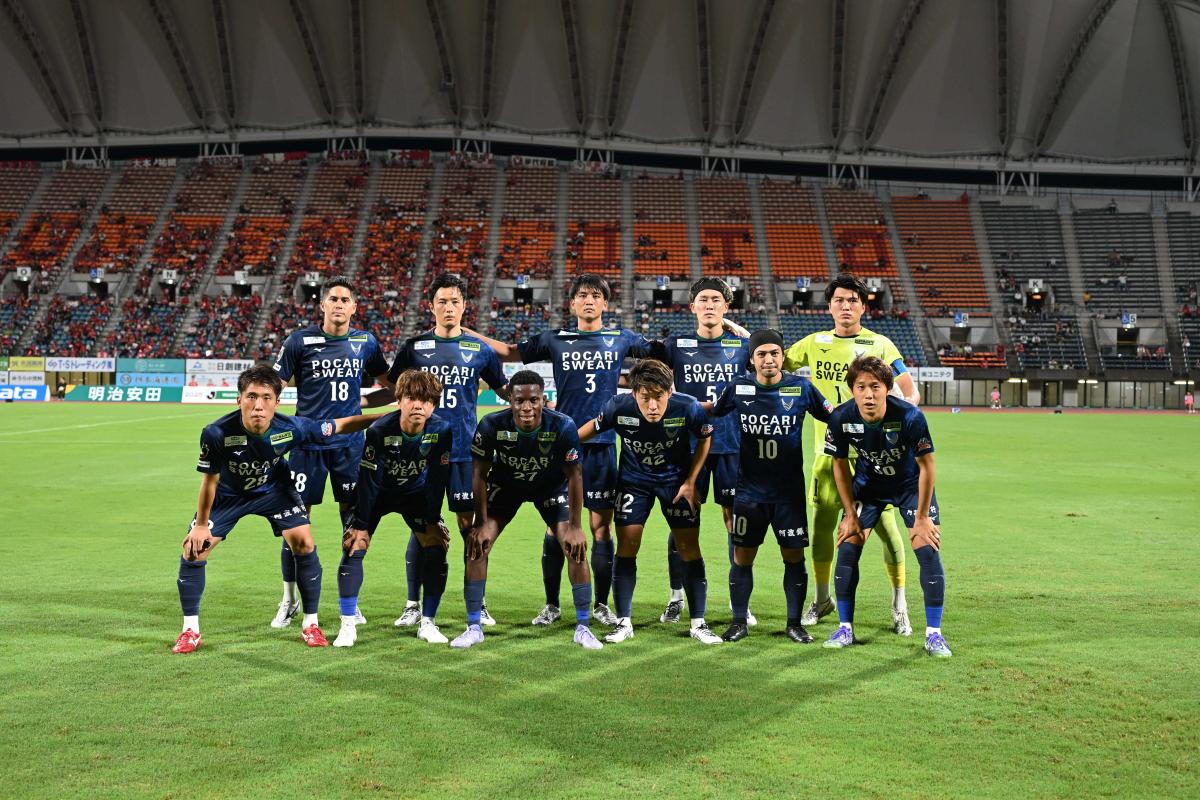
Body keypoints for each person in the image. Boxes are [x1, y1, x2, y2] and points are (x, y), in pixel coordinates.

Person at [466, 274, 654, 627]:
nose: (589, 300)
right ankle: (552, 605)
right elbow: (510, 352)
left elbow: (663, 354)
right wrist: (468, 332)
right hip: (558, 445)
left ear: (605, 303)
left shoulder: (622, 338)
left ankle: (601, 605)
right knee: (556, 528)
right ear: (572, 303)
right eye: (582, 295)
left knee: (600, 529)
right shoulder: (555, 339)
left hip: (602, 447)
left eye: (595, 295)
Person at [172, 364, 377, 653]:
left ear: (277, 402)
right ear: (239, 399)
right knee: (194, 549)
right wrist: (202, 525)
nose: (258, 405)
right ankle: (190, 631)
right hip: (229, 495)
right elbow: (210, 481)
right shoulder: (216, 433)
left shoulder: (292, 428)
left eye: (266, 397)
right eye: (251, 396)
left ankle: (310, 623)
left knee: (304, 543)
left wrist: (388, 417)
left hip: (275, 491)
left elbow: (340, 425)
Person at [783, 274, 920, 636]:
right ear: (829, 306)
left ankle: (900, 605)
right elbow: (772, 364)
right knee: (823, 528)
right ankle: (822, 599)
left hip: (873, 459)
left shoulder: (880, 344)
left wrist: (900, 418)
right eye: (839, 300)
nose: (846, 306)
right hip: (827, 454)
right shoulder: (814, 343)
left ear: (863, 306)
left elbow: (909, 390)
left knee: (888, 530)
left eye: (853, 301)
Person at [387, 272, 509, 627]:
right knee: (421, 525)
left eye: (455, 301)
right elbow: (395, 390)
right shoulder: (414, 347)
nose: (448, 307)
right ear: (431, 306)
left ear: (464, 306)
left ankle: (477, 601)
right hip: (422, 453)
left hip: (464, 454)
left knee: (471, 527)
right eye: (442, 301)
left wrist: (536, 406)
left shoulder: (480, 350)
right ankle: (413, 604)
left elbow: (503, 390)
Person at [271, 276, 393, 630]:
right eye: (333, 299)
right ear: (322, 305)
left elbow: (391, 386)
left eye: (345, 300)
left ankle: (350, 602)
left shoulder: (365, 342)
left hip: (350, 447)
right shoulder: (299, 341)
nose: (339, 304)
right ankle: (289, 599)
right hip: (306, 445)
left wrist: (362, 402)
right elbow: (273, 388)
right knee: (295, 523)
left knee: (353, 523)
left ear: (354, 307)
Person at [578, 359, 723, 645]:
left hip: (676, 484)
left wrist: (691, 482)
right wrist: (561, 445)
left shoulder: (687, 407)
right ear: (634, 393)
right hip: (634, 482)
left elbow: (706, 437)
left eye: (659, 397)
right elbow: (590, 429)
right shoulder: (618, 407)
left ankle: (698, 623)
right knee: (627, 546)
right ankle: (624, 622)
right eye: (645, 397)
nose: (653, 406)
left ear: (669, 392)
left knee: (689, 548)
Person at [453, 370, 601, 650]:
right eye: (519, 400)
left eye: (534, 400)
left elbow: (575, 476)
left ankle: (583, 628)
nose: (527, 407)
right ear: (509, 400)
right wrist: (480, 522)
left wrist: (576, 527)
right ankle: (474, 627)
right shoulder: (491, 425)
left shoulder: (563, 426)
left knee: (575, 547)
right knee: (477, 545)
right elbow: (479, 475)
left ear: (543, 399)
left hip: (550, 488)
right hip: (506, 487)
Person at [707, 330, 832, 643]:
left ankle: (794, 624)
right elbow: (712, 410)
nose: (768, 359)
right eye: (761, 354)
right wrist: (672, 404)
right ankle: (739, 622)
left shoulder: (801, 388)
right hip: (749, 493)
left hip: (788, 495)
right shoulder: (738, 387)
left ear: (782, 356)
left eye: (774, 353)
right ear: (751, 359)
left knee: (794, 558)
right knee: (742, 558)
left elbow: (834, 416)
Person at [822, 356, 950, 657]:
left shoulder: (909, 416)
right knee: (848, 545)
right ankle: (845, 628)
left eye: (875, 387)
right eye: (861, 387)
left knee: (927, 547)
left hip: (910, 488)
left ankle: (934, 634)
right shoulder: (840, 417)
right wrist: (850, 514)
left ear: (887, 389)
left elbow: (928, 467)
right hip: (869, 488)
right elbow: (839, 465)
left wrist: (922, 517)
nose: (868, 394)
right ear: (852, 389)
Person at [651, 277, 752, 624]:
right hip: (686, 445)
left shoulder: (743, 346)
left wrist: (739, 330)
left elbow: (771, 356)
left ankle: (740, 602)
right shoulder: (674, 345)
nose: (709, 305)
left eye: (716, 300)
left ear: (726, 307)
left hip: (730, 445)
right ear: (692, 307)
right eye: (703, 300)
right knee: (682, 521)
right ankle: (676, 596)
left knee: (734, 521)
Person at [336, 370, 453, 648]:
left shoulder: (442, 430)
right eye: (411, 398)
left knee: (436, 544)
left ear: (434, 405)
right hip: (377, 494)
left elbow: (438, 479)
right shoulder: (380, 430)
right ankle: (347, 625)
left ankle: (428, 623)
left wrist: (433, 519)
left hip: (414, 494)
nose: (418, 406)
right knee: (355, 544)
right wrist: (360, 524)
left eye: (426, 400)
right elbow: (369, 480)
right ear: (399, 400)